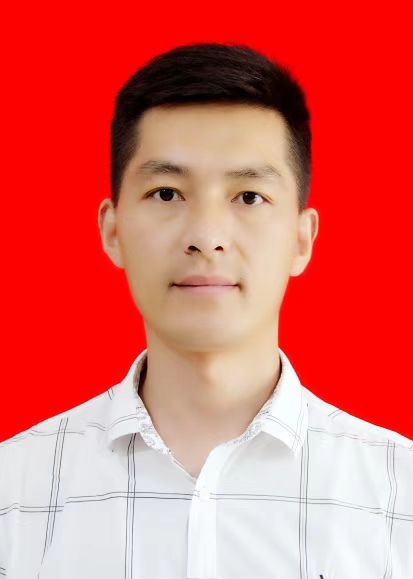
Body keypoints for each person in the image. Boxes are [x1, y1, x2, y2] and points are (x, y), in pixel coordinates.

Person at [0, 42, 412, 579]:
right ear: (113, 230)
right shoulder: (13, 493)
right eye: (167, 193)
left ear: (301, 239)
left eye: (248, 197)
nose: (207, 236)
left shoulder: (399, 495)